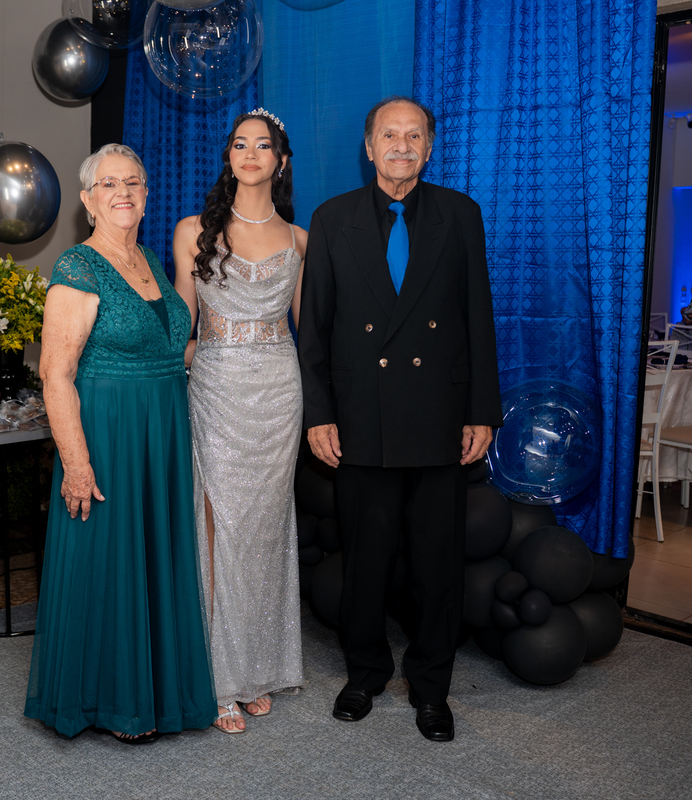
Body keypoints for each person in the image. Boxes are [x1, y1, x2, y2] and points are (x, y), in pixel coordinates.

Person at [298, 96, 502, 743]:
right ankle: (364, 674)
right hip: (361, 417)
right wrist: (319, 414)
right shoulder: (332, 219)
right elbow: (315, 329)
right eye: (390, 134)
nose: (402, 146)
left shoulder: (460, 215)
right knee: (366, 559)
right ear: (369, 147)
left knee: (437, 564)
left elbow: (478, 318)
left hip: (438, 416)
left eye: (414, 136)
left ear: (430, 148)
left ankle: (432, 688)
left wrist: (481, 411)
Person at [24, 144, 216, 744]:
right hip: (108, 433)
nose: (123, 192)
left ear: (147, 195)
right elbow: (55, 374)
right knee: (109, 559)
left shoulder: (150, 261)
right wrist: (76, 463)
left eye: (133, 182)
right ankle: (110, 702)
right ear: (88, 200)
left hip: (160, 430)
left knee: (152, 555)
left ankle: (156, 694)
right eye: (109, 184)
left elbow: (173, 349)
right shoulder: (78, 267)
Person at [172, 109, 307, 735]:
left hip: (279, 392)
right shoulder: (192, 231)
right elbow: (181, 326)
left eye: (263, 145)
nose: (250, 153)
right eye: (239, 144)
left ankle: (257, 668)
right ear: (228, 156)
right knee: (220, 527)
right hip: (217, 388)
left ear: (280, 160)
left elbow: (311, 333)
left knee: (264, 529)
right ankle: (220, 677)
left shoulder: (301, 239)